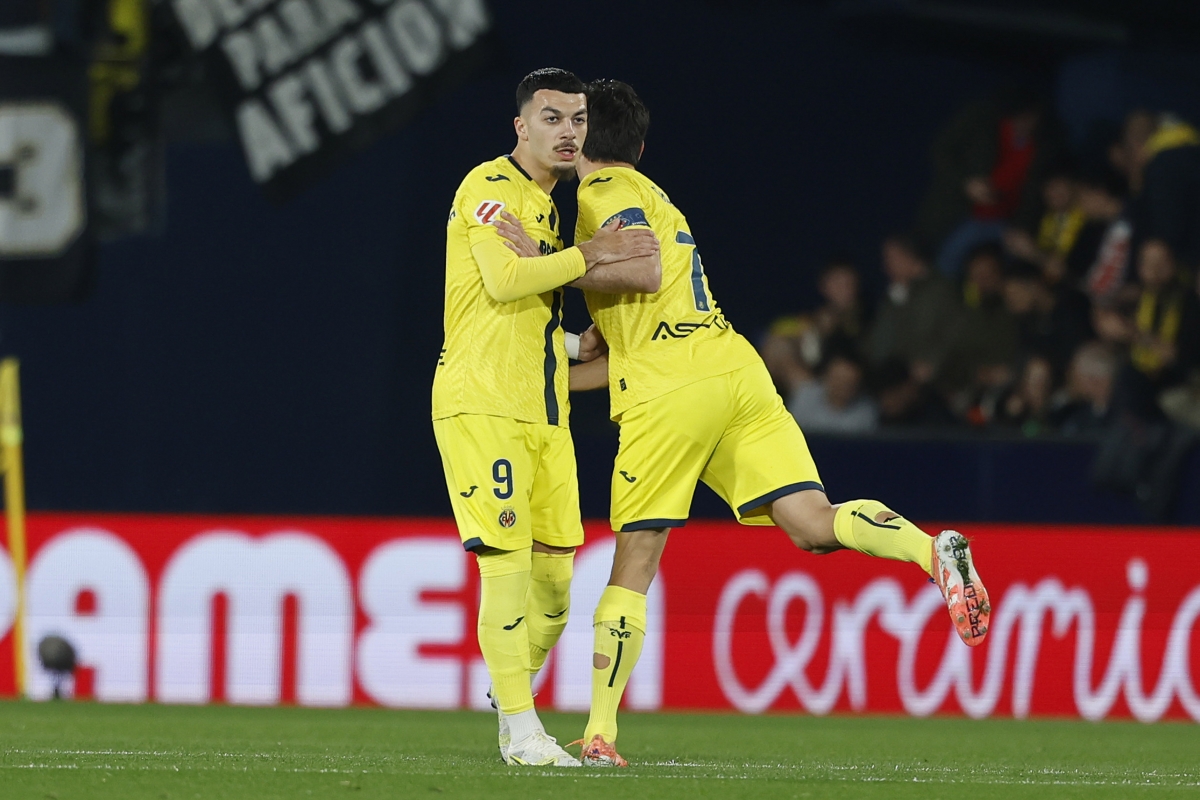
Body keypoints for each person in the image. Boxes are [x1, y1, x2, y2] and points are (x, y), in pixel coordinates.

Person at [499, 80, 992, 768]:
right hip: (734, 370)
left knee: (634, 561)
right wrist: (538, 372)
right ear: (640, 145)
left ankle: (601, 733)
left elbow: (640, 274)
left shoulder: (601, 197)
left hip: (670, 392)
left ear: (584, 141)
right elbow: (612, 351)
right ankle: (929, 551)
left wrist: (545, 265)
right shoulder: (658, 197)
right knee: (814, 524)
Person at [431, 68, 658, 768]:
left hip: (545, 414)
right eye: (553, 117)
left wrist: (568, 340)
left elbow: (511, 303)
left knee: (556, 590)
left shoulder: (551, 209)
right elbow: (502, 279)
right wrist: (590, 256)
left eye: (579, 120)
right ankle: (524, 734)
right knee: (504, 572)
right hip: (482, 405)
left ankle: (509, 696)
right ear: (521, 126)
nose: (569, 131)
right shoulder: (489, 188)